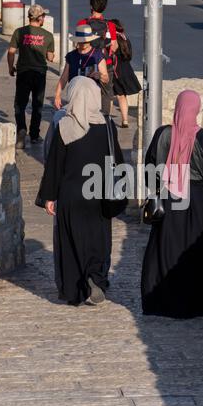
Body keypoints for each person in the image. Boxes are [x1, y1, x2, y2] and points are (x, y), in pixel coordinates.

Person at [36, 76, 124, 306]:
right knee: (98, 238)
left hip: (70, 194)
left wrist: (49, 197)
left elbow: (55, 165)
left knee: (71, 240)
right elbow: (118, 161)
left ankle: (75, 289)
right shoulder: (108, 127)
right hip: (98, 192)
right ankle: (95, 277)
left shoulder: (65, 126)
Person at [141, 90, 203, 319]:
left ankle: (163, 301)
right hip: (196, 200)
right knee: (195, 250)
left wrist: (156, 188)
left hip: (169, 199)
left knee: (165, 249)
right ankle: (196, 302)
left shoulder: (162, 135)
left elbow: (150, 169)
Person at [7, 4, 55, 149]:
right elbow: (51, 58)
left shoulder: (19, 32)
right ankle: (34, 135)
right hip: (39, 74)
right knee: (37, 105)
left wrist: (10, 67)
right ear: (39, 18)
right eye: (43, 16)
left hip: (23, 72)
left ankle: (21, 131)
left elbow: (11, 52)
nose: (44, 18)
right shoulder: (48, 36)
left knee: (20, 104)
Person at [76, 0, 118, 115]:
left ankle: (86, 115)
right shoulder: (110, 25)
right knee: (105, 93)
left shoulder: (82, 23)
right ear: (104, 7)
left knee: (85, 90)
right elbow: (114, 46)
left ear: (91, 7)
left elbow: (78, 44)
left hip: (86, 61)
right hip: (106, 63)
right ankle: (104, 119)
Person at [54, 24, 109, 110]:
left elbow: (106, 78)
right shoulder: (71, 56)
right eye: (81, 41)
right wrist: (57, 95)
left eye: (85, 41)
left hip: (92, 95)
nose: (83, 43)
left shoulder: (97, 55)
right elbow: (64, 78)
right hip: (75, 95)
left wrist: (100, 76)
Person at [111, 19, 142, 128]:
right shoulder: (125, 39)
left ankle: (106, 117)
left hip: (115, 70)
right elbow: (130, 56)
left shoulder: (112, 41)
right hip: (126, 70)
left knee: (111, 95)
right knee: (122, 96)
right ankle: (125, 120)